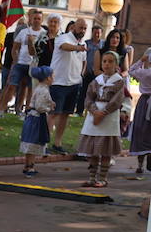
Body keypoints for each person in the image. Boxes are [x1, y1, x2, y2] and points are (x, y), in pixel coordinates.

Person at [77, 50, 126, 188]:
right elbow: (89, 97)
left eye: (110, 61)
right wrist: (94, 111)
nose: (107, 64)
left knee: (105, 150)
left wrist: (104, 112)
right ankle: (92, 177)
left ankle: (103, 178)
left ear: (116, 64)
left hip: (109, 116)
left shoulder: (118, 81)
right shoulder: (96, 81)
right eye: (104, 61)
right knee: (93, 149)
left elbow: (117, 100)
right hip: (94, 114)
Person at [47, 17, 88, 154]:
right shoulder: (63, 38)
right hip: (59, 82)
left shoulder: (82, 43)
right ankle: (44, 144)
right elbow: (64, 47)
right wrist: (78, 48)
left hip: (74, 84)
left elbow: (83, 62)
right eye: (80, 27)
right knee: (53, 114)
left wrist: (80, 75)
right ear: (73, 28)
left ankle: (57, 143)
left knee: (65, 115)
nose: (82, 31)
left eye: (84, 28)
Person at [126, 47, 151, 174]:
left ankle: (140, 164)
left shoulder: (144, 73)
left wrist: (141, 61)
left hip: (144, 102)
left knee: (141, 129)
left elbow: (131, 70)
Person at [4, 8, 43, 114]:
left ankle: (25, 111)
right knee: (12, 85)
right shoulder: (23, 31)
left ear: (41, 20)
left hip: (34, 65)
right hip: (21, 63)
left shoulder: (44, 33)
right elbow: (15, 48)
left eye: (38, 19)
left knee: (29, 89)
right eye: (34, 18)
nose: (36, 20)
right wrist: (16, 61)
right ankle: (1, 109)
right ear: (31, 19)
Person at [20, 65, 55, 176]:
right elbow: (40, 107)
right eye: (52, 76)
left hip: (31, 117)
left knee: (30, 142)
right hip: (37, 119)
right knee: (34, 142)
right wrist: (49, 108)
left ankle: (28, 164)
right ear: (48, 78)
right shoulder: (44, 90)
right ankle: (30, 166)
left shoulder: (38, 88)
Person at [76, 25, 103, 117]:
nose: (97, 34)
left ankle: (93, 111)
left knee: (97, 93)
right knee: (83, 92)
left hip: (98, 73)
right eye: (95, 32)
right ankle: (79, 111)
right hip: (87, 72)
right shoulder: (86, 43)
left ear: (101, 33)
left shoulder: (103, 44)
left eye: (98, 33)